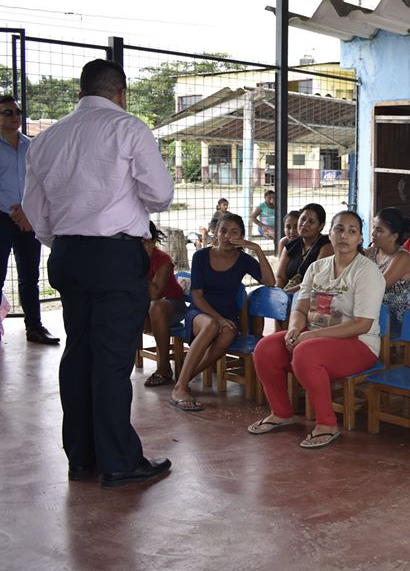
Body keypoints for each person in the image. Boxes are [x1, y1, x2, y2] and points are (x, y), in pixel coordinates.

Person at [22, 59, 174, 488]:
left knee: (79, 352)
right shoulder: (128, 128)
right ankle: (119, 462)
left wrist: (65, 242)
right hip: (114, 258)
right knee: (110, 359)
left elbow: (34, 209)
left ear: (80, 93)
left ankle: (81, 456)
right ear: (121, 94)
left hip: (68, 255)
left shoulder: (46, 138)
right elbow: (160, 195)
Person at [250, 211, 385, 449]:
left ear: (360, 239)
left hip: (359, 344)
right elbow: (300, 307)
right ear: (329, 234)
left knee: (306, 353)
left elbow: (362, 324)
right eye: (339, 229)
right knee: (266, 348)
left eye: (352, 231)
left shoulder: (368, 271)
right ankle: (281, 413)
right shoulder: (317, 267)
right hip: (314, 337)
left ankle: (327, 424)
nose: (344, 235)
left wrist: (310, 336)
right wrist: (294, 329)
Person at [169, 213, 276, 411]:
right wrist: (218, 319)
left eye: (234, 232)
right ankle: (180, 388)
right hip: (199, 312)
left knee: (227, 334)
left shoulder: (244, 260)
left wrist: (257, 249)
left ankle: (184, 379)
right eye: (223, 231)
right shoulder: (201, 256)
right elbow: (197, 296)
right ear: (216, 233)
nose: (227, 236)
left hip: (227, 315)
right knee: (211, 325)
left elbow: (270, 281)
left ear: (241, 236)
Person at [0, 94, 59, 345]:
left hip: (29, 218)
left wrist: (26, 210)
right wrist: (15, 211)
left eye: (17, 112)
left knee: (30, 276)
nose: (15, 117)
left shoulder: (31, 146)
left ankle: (34, 328)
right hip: (3, 217)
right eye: (8, 112)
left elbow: (41, 181)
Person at [142, 222, 187, 387]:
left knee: (156, 307)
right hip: (145, 307)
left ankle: (164, 367)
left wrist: (141, 266)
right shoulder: (126, 259)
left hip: (172, 306)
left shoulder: (163, 260)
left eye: (142, 240)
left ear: (152, 242)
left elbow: (155, 294)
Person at [366, 207, 410, 332]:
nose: (373, 233)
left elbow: (378, 287)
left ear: (393, 236)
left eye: (379, 230)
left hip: (396, 318)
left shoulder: (402, 257)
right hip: (374, 310)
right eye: (374, 228)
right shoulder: (371, 252)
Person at [275, 204, 332, 294]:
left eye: (311, 222)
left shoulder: (326, 246)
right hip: (287, 294)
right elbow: (280, 277)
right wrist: (277, 293)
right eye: (303, 219)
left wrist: (286, 293)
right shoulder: (291, 245)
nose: (304, 224)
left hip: (312, 295)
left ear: (320, 226)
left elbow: (315, 281)